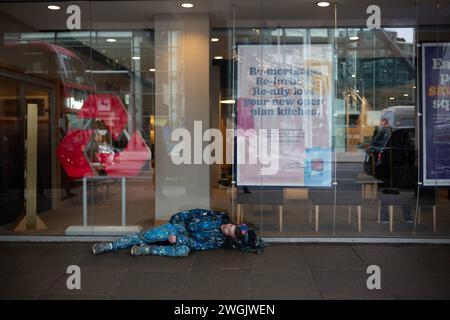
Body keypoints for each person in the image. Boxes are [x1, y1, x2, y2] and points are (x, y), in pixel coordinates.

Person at [92, 208, 266, 257]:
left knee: (183, 251)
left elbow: (198, 245)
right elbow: (191, 213)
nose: (226, 228)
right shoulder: (216, 216)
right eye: (230, 226)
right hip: (178, 227)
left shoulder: (217, 240)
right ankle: (110, 246)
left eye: (230, 231)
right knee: (145, 235)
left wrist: (178, 240)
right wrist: (175, 224)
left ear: (230, 237)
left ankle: (147, 250)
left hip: (183, 238)